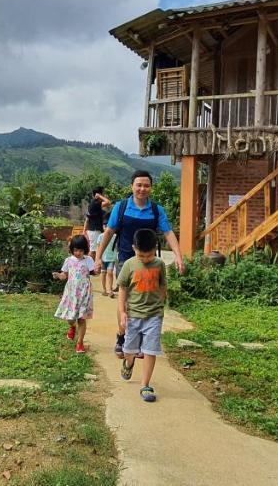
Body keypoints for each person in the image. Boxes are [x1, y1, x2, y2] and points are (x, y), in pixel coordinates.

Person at [92, 170, 184, 356]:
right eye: (139, 185)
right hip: (126, 259)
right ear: (132, 186)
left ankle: (139, 339)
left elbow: (168, 233)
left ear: (151, 187)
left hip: (149, 263)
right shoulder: (122, 206)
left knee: (144, 301)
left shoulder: (157, 210)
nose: (142, 189)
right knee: (125, 300)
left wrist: (179, 257)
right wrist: (98, 257)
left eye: (146, 185)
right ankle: (122, 334)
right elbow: (109, 232)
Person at [116, 228, 167, 402]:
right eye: (141, 256)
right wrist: (122, 312)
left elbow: (163, 285)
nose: (145, 259)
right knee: (129, 350)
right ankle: (129, 363)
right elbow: (122, 288)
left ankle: (145, 385)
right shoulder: (129, 264)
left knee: (150, 350)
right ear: (134, 248)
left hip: (154, 315)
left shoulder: (159, 264)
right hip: (134, 315)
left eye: (149, 255)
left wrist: (161, 303)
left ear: (155, 249)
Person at [53, 235, 95, 354]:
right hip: (71, 293)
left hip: (84, 293)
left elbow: (94, 272)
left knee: (82, 318)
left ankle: (80, 343)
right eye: (76, 250)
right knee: (70, 318)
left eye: (81, 250)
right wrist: (58, 275)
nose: (78, 253)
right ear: (72, 249)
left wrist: (98, 268)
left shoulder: (88, 260)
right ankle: (72, 326)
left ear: (85, 250)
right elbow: (64, 275)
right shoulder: (68, 260)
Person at [84, 187, 109, 254]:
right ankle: (90, 264)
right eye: (103, 193)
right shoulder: (95, 203)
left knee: (95, 249)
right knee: (93, 250)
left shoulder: (94, 204)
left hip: (94, 230)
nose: (104, 195)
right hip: (94, 230)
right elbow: (108, 202)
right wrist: (99, 196)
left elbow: (87, 219)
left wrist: (84, 231)